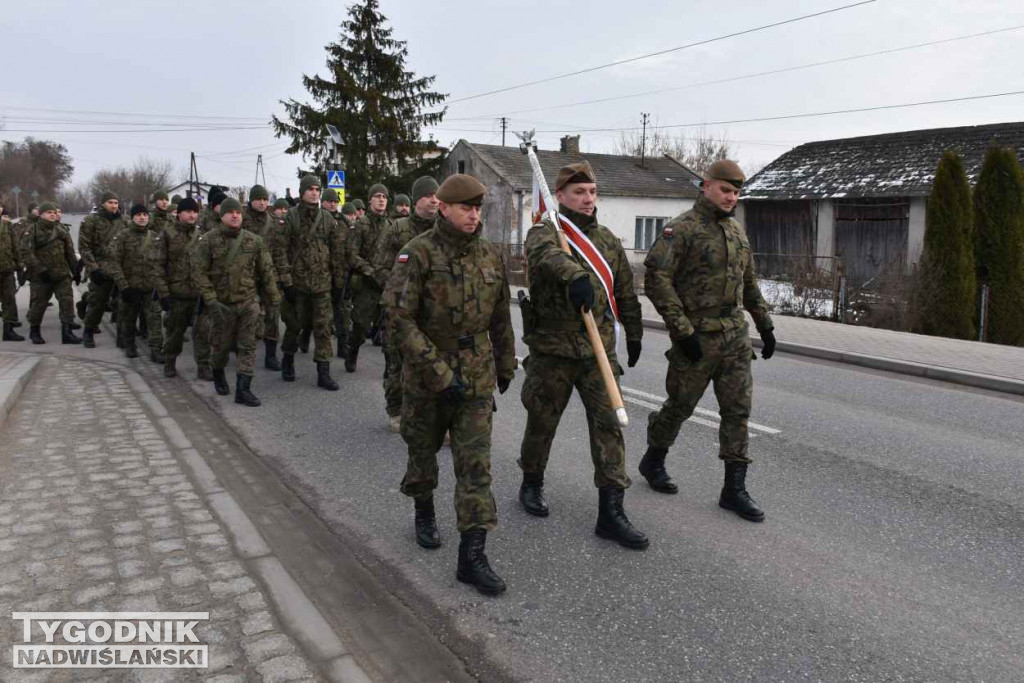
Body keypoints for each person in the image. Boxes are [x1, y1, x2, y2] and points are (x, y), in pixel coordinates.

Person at [385, 174, 516, 595]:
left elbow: (500, 316)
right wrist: (439, 375)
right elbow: (399, 320)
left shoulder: (491, 254)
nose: (473, 215)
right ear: (443, 207)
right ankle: (424, 510)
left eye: (478, 208)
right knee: (422, 453)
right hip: (428, 377)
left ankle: (472, 556)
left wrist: (506, 362)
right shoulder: (417, 254)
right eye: (465, 207)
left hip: (476, 377)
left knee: (476, 467)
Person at [518, 161, 648, 550]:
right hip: (554, 349)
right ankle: (531, 482)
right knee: (542, 421)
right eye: (579, 193)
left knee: (609, 425)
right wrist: (573, 275)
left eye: (592, 192)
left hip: (597, 352)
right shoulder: (544, 232)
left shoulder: (607, 240)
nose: (588, 199)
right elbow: (545, 257)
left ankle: (611, 511)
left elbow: (624, 290)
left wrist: (636, 331)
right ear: (560, 196)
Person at [641, 160, 776, 522]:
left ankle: (734, 489)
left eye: (736, 192)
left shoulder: (736, 233)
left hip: (734, 337)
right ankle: (653, 459)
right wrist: (682, 331)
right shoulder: (681, 229)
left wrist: (764, 324)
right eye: (725, 190)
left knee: (737, 411)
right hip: (697, 336)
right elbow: (657, 279)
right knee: (680, 405)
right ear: (706, 186)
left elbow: (748, 284)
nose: (731, 197)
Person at [191, 197, 280, 406]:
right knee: (221, 348)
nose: (235, 215)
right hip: (222, 305)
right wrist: (211, 300)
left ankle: (243, 389)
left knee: (247, 345)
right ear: (221, 216)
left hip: (248, 302)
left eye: (238, 212)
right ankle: (218, 371)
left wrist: (274, 296)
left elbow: (266, 271)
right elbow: (198, 273)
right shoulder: (208, 240)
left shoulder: (254, 240)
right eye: (230, 212)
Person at [372, 176, 439, 431]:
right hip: (399, 310)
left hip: (433, 311)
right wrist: (399, 294)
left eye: (437, 195)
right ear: (416, 199)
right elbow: (379, 267)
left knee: (432, 363)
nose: (434, 200)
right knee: (396, 363)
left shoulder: (442, 229)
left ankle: (431, 416)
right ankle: (396, 410)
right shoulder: (398, 229)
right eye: (428, 195)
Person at [272, 175, 345, 390]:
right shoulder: (291, 218)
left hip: (322, 285)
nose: (314, 192)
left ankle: (324, 372)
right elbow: (280, 252)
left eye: (317, 189)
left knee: (323, 329)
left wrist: (339, 284)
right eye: (310, 189)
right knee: (294, 326)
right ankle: (288, 359)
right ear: (302, 191)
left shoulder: (328, 219)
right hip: (298, 285)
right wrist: (286, 283)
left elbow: (337, 253)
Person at [151, 197, 207, 378]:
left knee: (203, 333)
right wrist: (163, 293)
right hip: (177, 294)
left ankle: (204, 366)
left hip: (198, 294)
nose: (192, 215)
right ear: (179, 213)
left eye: (195, 212)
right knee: (175, 332)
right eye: (188, 211)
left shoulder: (201, 234)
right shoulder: (167, 234)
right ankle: (170, 362)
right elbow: (157, 265)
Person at [345, 184, 393, 372]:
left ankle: (389, 365)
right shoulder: (360, 225)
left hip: (386, 284)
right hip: (367, 284)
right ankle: (353, 351)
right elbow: (352, 254)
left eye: (385, 197)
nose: (382, 199)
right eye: (378, 196)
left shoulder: (391, 226)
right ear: (370, 200)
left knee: (389, 326)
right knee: (360, 325)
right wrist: (369, 271)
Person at [19, 202, 82, 344]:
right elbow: (27, 253)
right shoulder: (32, 230)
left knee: (67, 301)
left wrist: (75, 271)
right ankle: (34, 331)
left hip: (62, 274)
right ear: (41, 214)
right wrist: (40, 270)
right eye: (49, 212)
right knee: (39, 304)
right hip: (41, 276)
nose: (53, 214)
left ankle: (67, 332)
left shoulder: (61, 230)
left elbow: (69, 252)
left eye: (54, 212)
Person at [79, 191, 128, 347]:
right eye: (110, 202)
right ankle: (88, 331)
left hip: (120, 269)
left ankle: (122, 335)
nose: (114, 206)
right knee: (97, 302)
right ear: (103, 204)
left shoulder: (124, 221)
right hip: (100, 267)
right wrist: (93, 269)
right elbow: (84, 247)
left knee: (122, 304)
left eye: (115, 202)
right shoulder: (91, 221)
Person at [242, 185, 281, 371]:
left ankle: (271, 355)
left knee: (273, 315)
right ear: (251, 200)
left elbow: (279, 249)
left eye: (265, 199)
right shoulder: (241, 220)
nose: (263, 202)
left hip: (269, 275)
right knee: (248, 317)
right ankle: (244, 355)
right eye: (259, 199)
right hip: (246, 276)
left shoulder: (273, 222)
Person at [109, 204, 156, 359]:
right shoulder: (123, 237)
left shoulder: (155, 237)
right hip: (130, 286)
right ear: (132, 217)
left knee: (154, 318)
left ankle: (156, 349)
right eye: (138, 215)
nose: (142, 217)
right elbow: (114, 263)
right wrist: (124, 286)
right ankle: (129, 344)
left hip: (150, 287)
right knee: (128, 317)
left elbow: (160, 261)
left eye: (145, 214)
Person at [333, 202, 358, 359]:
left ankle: (343, 346)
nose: (352, 217)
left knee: (344, 313)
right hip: (334, 276)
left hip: (348, 276)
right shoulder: (339, 228)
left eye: (354, 215)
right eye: (350, 214)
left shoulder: (355, 230)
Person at [0, 204, 25, 341]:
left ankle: (8, 331)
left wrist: (20, 268)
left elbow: (15, 247)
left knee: (9, 299)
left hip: (7, 269)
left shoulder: (7, 226)